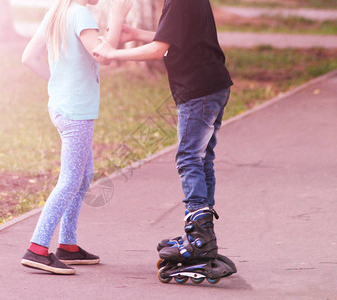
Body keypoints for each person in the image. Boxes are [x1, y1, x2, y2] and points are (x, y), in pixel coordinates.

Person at [93, 0, 237, 281]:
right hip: (212, 85)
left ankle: (199, 238)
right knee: (202, 159)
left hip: (199, 91)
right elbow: (177, 38)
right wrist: (136, 34)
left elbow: (160, 49)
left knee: (189, 159)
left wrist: (114, 52)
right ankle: (200, 233)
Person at [20, 0, 132, 275]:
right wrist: (117, 16)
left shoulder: (57, 12)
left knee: (83, 175)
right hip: (76, 112)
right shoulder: (80, 13)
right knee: (71, 179)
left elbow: (29, 58)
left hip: (62, 106)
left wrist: (57, 84)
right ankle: (37, 248)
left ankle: (68, 245)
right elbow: (103, 56)